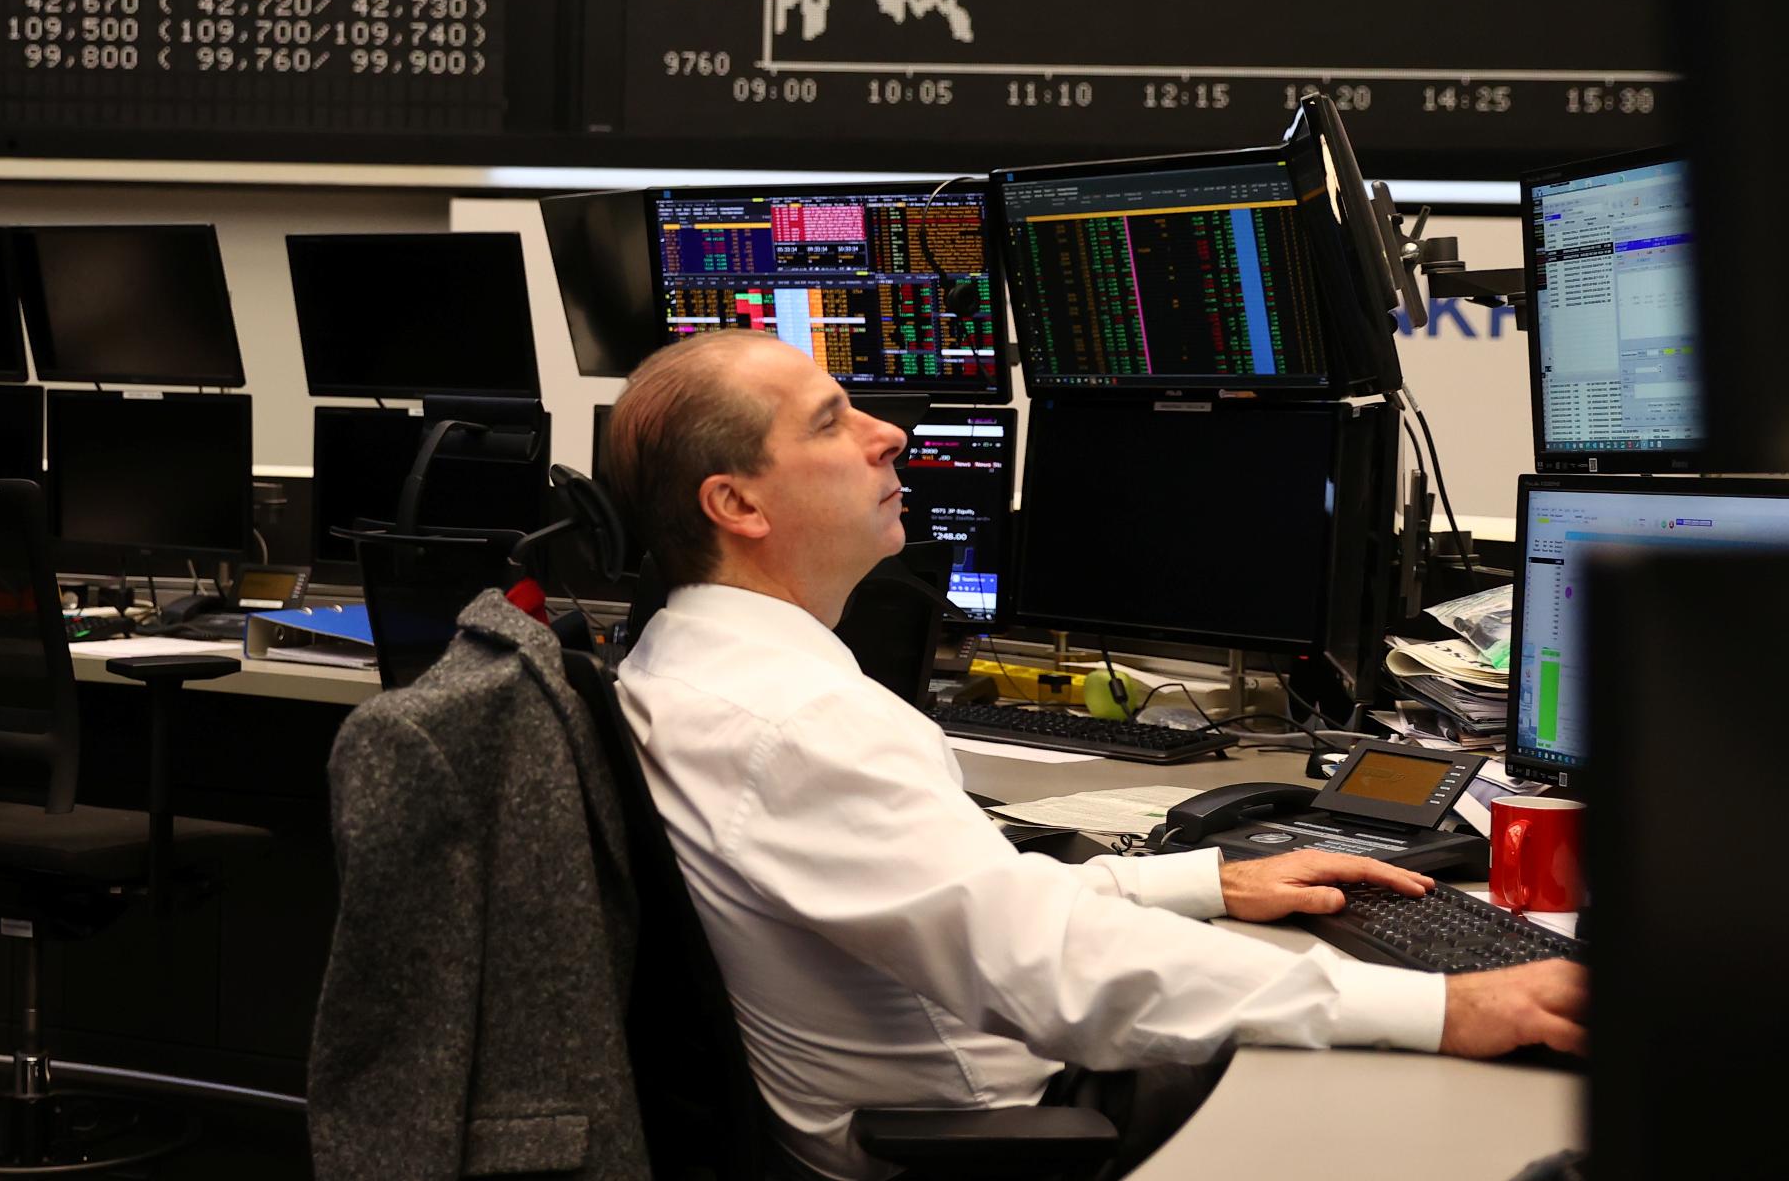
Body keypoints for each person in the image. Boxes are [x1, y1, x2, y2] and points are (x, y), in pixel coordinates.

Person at [600, 330, 1586, 1181]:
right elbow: (1051, 971)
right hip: (992, 1135)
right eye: (829, 423)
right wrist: (1443, 1005)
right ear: (737, 504)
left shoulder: (683, 665)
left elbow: (955, 900)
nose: (885, 433)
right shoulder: (802, 722)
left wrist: (1201, 881)